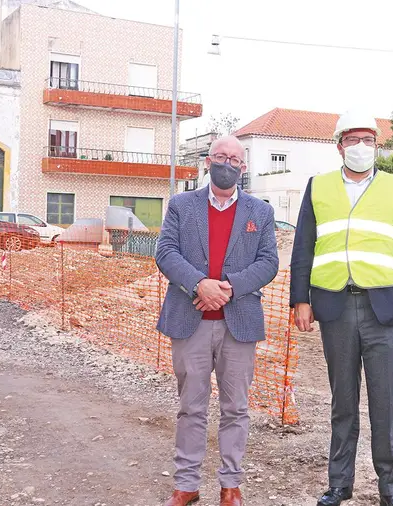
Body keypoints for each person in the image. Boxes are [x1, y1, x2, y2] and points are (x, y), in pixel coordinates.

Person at [289, 109, 393, 506]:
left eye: (368, 140)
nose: (361, 147)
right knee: (342, 403)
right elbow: (304, 247)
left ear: (376, 146)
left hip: (383, 309)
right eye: (353, 140)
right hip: (333, 307)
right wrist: (301, 298)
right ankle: (339, 484)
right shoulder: (318, 187)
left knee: (386, 403)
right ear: (339, 146)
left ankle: (391, 489)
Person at [155, 135, 279, 506]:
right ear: (208, 162)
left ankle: (230, 485)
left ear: (243, 167)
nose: (228, 163)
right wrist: (199, 284)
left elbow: (268, 262)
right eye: (221, 156)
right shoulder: (180, 205)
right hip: (189, 318)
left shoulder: (261, 212)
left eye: (235, 159)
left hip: (238, 322)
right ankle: (187, 484)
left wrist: (230, 287)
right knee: (191, 405)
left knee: (236, 408)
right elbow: (165, 252)